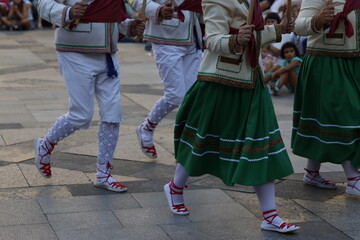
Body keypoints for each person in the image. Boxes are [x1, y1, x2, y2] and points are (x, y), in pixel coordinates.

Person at [163, 0, 300, 233]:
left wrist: (279, 29)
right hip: (220, 83)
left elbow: (253, 37)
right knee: (202, 142)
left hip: (252, 82)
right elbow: (211, 40)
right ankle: (175, 187)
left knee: (260, 146)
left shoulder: (250, 1)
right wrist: (235, 39)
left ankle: (270, 215)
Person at [34, 0, 145, 192]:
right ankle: (45, 144)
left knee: (113, 113)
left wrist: (129, 26)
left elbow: (114, 18)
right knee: (81, 115)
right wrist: (68, 12)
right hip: (75, 53)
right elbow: (43, 4)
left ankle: (103, 173)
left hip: (108, 55)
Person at [292, 0, 360, 195]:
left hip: (353, 63)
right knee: (345, 118)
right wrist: (318, 20)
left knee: (332, 120)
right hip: (328, 63)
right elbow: (299, 26)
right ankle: (353, 178)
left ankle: (312, 172)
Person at [132, 0, 203, 159]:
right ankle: (147, 127)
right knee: (175, 95)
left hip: (194, 38)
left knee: (194, 97)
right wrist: (157, 9)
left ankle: (190, 144)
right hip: (165, 37)